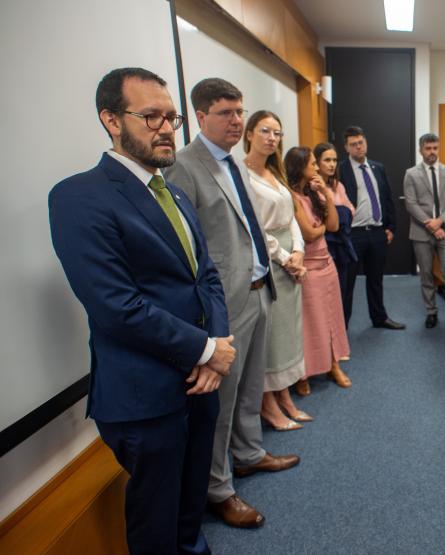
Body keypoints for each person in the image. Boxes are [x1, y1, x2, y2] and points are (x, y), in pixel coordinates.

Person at [49, 67, 235, 554]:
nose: (166, 127)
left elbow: (206, 276)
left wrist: (216, 349)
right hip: (145, 395)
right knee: (155, 529)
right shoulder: (78, 196)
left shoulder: (171, 190)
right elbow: (116, 306)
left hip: (201, 384)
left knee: (190, 515)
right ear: (111, 119)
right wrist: (206, 349)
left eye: (170, 117)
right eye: (150, 116)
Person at [164, 78, 298, 529]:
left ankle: (249, 454)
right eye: (225, 113)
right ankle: (218, 489)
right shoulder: (184, 165)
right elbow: (188, 248)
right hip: (224, 303)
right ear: (200, 116)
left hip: (259, 290)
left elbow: (248, 227)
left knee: (249, 388)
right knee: (219, 401)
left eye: (239, 112)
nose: (236, 121)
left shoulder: (233, 163)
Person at [242, 110, 312, 430]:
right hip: (266, 259)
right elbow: (255, 228)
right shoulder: (241, 175)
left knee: (287, 334)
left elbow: (292, 217)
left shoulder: (276, 171)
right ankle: (268, 404)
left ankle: (285, 397)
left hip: (290, 258)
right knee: (269, 337)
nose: (272, 138)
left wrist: (299, 251)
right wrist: (285, 258)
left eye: (277, 133)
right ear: (249, 134)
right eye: (265, 131)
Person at [285, 146, 353, 395]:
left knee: (332, 318)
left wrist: (324, 191)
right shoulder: (291, 196)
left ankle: (333, 365)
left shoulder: (315, 193)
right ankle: (303, 374)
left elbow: (333, 225)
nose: (316, 168)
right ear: (299, 166)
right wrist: (321, 226)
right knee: (310, 323)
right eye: (312, 164)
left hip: (327, 264)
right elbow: (309, 233)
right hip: (308, 268)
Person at [338, 125, 405, 330]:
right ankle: (343, 326)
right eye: (353, 145)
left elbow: (386, 198)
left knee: (375, 279)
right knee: (347, 284)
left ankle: (379, 318)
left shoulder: (378, 167)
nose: (358, 147)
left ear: (365, 143)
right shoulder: (341, 169)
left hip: (377, 233)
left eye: (361, 143)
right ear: (346, 148)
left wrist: (391, 227)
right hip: (353, 235)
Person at [403, 133, 445, 329]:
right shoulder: (411, 174)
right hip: (422, 233)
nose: (432, 152)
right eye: (428, 148)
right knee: (427, 274)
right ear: (420, 150)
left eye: (435, 148)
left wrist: (439, 222)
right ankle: (431, 312)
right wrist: (430, 224)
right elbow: (411, 204)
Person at [314, 142, 358, 310]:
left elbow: (351, 211)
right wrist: (340, 213)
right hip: (324, 246)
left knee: (344, 290)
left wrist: (336, 213)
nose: (332, 164)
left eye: (334, 160)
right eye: (327, 160)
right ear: (317, 162)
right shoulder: (312, 188)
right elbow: (319, 218)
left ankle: (342, 333)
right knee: (328, 295)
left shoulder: (338, 185)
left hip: (343, 244)